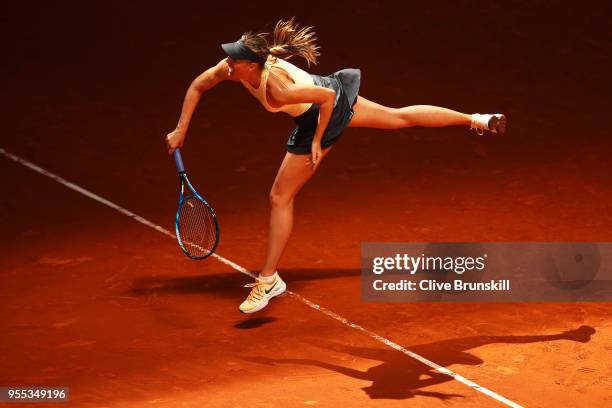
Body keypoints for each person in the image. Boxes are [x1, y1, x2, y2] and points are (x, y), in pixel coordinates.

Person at [165, 18, 506, 314]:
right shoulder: (231, 70)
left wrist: (316, 142)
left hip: (323, 110)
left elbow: (326, 101)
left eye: (234, 59)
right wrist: (181, 130)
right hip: (328, 93)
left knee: (280, 197)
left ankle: (268, 280)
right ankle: (476, 119)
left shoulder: (278, 90)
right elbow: (198, 85)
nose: (227, 62)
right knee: (398, 117)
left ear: (251, 66)